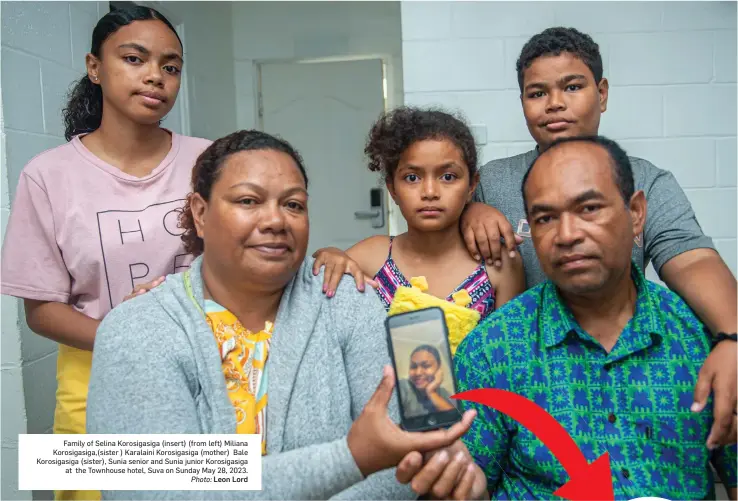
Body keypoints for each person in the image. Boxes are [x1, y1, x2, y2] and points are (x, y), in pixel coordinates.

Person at [86, 130, 489, 501]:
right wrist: (350, 458)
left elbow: (399, 469)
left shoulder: (349, 303)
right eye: (248, 201)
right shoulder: (140, 328)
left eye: (293, 204)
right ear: (200, 212)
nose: (276, 220)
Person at [458, 27, 737, 448]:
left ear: (601, 93)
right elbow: (431, 245)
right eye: (537, 93)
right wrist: (469, 211)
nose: (555, 103)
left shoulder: (646, 180)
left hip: (619, 376)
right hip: (525, 384)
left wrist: (732, 336)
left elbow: (692, 259)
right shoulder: (493, 183)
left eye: (572, 86)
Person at [0, 7, 211, 501]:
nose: (155, 76)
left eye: (171, 66)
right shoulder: (47, 175)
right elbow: (41, 312)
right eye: (134, 59)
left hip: (204, 375)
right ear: (95, 67)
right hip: (93, 379)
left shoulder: (210, 159)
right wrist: (131, 340)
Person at [455, 135, 737, 501]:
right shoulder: (491, 351)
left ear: (636, 214)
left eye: (588, 209)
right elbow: (462, 487)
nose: (567, 235)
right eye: (545, 218)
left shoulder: (703, 341)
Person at [312, 107, 524, 319]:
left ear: (471, 185)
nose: (430, 192)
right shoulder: (371, 258)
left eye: (448, 177)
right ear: (392, 189)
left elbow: (513, 347)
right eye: (412, 178)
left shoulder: (498, 264)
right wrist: (330, 256)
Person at [399, 345, 455, 418]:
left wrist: (431, 392)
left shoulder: (443, 393)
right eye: (413, 367)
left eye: (426, 366)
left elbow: (454, 418)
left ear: (439, 368)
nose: (418, 373)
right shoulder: (403, 386)